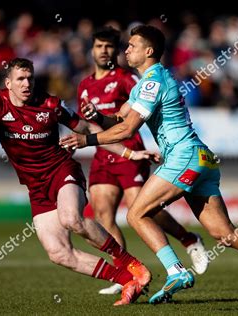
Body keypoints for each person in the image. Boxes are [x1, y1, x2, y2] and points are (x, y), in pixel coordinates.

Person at [60, 25, 238, 308]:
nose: (125, 49)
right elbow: (119, 120)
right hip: (201, 157)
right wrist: (99, 117)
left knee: (136, 214)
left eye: (132, 45)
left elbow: (128, 131)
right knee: (224, 233)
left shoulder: (152, 81)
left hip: (184, 155)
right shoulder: (147, 82)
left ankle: (176, 271)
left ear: (148, 51)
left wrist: (86, 139)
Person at [0, 58, 158, 306]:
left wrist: (130, 153)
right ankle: (127, 279)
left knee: (71, 218)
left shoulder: (50, 104)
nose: (27, 83)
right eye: (20, 79)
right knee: (59, 253)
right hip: (36, 186)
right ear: (8, 83)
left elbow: (85, 128)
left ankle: (132, 264)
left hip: (62, 171)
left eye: (30, 78)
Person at [78, 26, 209, 295]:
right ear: (91, 49)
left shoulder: (132, 79)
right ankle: (126, 273)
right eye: (98, 46)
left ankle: (187, 240)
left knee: (142, 209)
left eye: (110, 46)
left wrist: (90, 140)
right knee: (104, 215)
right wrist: (92, 119)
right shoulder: (85, 85)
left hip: (130, 153)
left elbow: (128, 125)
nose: (105, 51)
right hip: (104, 156)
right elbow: (113, 119)